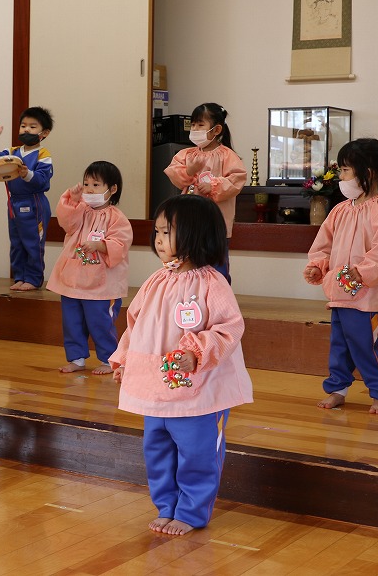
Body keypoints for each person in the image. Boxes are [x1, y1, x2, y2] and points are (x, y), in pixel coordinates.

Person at [109, 194, 253, 536]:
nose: (159, 239)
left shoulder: (211, 283)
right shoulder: (156, 280)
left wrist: (198, 352)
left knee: (197, 453)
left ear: (196, 235)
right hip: (156, 386)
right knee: (157, 451)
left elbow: (229, 327)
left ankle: (191, 512)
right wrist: (124, 361)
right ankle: (167, 506)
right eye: (157, 232)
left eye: (168, 232)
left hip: (199, 393)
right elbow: (135, 325)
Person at [304, 138, 378, 415]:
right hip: (341, 294)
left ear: (368, 173)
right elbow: (324, 244)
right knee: (340, 345)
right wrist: (318, 265)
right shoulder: (340, 210)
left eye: (346, 170)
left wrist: (362, 272)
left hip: (368, 298)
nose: (341, 177)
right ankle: (337, 389)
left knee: (369, 346)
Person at [47, 161, 133, 375]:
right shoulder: (81, 211)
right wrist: (72, 199)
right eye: (86, 184)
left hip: (101, 286)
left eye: (96, 185)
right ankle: (76, 359)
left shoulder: (117, 218)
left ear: (112, 189)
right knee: (72, 322)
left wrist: (100, 245)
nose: (89, 190)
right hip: (73, 281)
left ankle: (109, 359)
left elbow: (121, 244)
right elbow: (66, 221)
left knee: (100, 323)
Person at [163, 103, 246, 281]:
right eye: (193, 124)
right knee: (189, 262)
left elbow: (237, 179)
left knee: (216, 264)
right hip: (189, 222)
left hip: (216, 223)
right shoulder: (186, 155)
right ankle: (192, 293)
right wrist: (190, 171)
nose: (195, 129)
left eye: (200, 125)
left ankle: (218, 293)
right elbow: (175, 175)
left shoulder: (227, 156)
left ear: (216, 130)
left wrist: (214, 186)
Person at [0, 107, 54, 291]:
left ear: (44, 133)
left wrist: (26, 173)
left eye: (32, 126)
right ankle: (20, 276)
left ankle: (33, 278)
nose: (26, 130)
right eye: (23, 126)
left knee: (33, 242)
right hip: (14, 202)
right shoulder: (13, 151)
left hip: (34, 202)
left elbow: (42, 179)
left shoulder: (43, 154)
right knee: (16, 242)